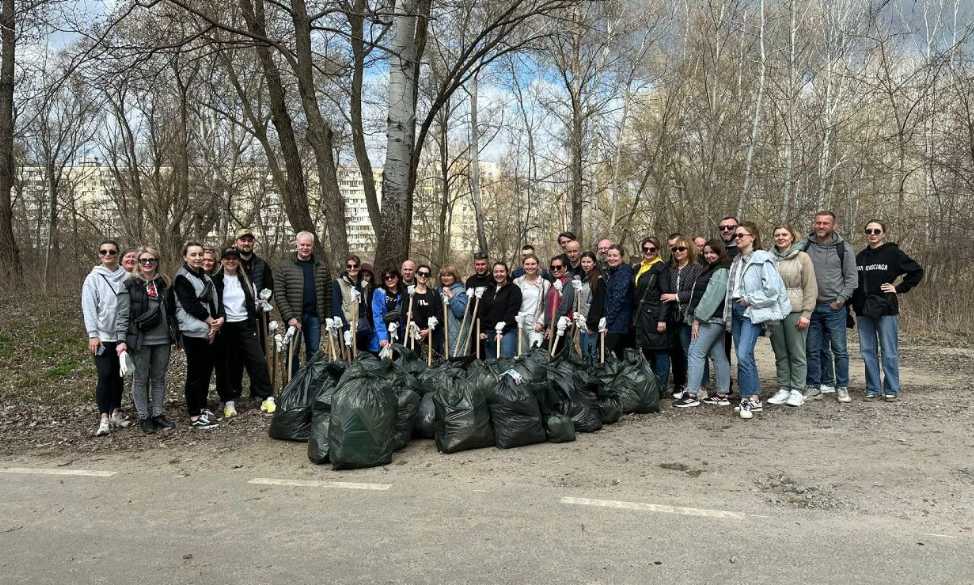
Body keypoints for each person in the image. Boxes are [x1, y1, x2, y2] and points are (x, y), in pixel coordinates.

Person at [724, 222, 791, 419]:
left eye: (741, 235)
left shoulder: (762, 259)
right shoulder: (736, 260)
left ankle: (750, 399)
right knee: (745, 356)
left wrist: (751, 300)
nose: (737, 238)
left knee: (743, 354)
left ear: (753, 237)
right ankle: (752, 398)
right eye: (736, 236)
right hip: (735, 310)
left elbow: (773, 290)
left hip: (750, 310)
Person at [851, 220, 924, 401]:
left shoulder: (893, 254)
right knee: (867, 351)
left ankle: (891, 388)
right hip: (863, 311)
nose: (873, 234)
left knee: (888, 350)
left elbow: (916, 271)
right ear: (866, 233)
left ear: (883, 233)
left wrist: (898, 288)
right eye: (869, 231)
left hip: (886, 309)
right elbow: (853, 284)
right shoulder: (860, 257)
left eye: (877, 231)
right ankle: (873, 388)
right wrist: (849, 306)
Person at [115, 246, 177, 433]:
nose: (148, 263)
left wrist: (177, 335)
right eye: (144, 260)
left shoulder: (165, 282)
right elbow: (122, 315)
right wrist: (121, 340)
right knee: (140, 379)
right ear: (138, 263)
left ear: (157, 262)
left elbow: (172, 311)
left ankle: (157, 413)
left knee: (158, 378)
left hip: (163, 339)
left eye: (152, 260)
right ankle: (144, 416)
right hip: (140, 340)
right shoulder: (129, 284)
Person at [801, 211, 858, 403]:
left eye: (826, 223)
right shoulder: (805, 246)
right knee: (812, 349)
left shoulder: (844, 248)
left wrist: (840, 300)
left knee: (839, 349)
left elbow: (852, 279)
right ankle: (813, 386)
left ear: (834, 226)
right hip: (811, 307)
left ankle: (841, 387)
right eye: (818, 223)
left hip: (834, 308)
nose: (821, 226)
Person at [213, 247, 275, 418]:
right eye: (227, 258)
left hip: (246, 325)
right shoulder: (215, 281)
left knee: (257, 360)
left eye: (234, 258)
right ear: (222, 261)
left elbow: (254, 301)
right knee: (229, 365)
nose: (231, 261)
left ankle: (267, 396)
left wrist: (261, 304)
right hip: (226, 327)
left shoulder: (246, 280)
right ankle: (229, 400)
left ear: (238, 261)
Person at [81, 240, 132, 436]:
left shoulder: (127, 276)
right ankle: (103, 416)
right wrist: (93, 335)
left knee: (119, 376)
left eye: (112, 251)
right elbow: (89, 308)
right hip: (102, 336)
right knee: (104, 375)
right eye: (104, 251)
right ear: (100, 255)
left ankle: (115, 412)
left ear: (117, 254)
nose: (108, 254)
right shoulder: (93, 279)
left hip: (121, 336)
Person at [766, 225, 818, 408]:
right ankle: (784, 387)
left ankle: (797, 389)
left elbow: (810, 287)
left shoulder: (802, 257)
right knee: (780, 352)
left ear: (792, 237)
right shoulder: (768, 258)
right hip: (774, 311)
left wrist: (807, 313)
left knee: (797, 352)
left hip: (795, 310)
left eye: (784, 234)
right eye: (777, 235)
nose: (780, 238)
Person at [173, 241, 223, 429]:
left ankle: (202, 407)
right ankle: (194, 414)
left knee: (205, 372)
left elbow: (212, 302)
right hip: (192, 331)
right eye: (193, 255)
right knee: (195, 373)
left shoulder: (204, 276)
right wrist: (212, 321)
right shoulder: (182, 277)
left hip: (208, 330)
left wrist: (216, 324)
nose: (197, 258)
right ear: (185, 257)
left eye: (200, 254)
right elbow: (190, 305)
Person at [677, 240, 731, 407]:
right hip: (712, 318)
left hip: (711, 319)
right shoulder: (711, 268)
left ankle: (692, 394)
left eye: (712, 252)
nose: (709, 255)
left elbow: (712, 298)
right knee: (718, 355)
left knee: (695, 352)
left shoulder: (721, 270)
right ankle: (722, 394)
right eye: (706, 252)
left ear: (720, 252)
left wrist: (697, 319)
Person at [274, 231, 331, 373]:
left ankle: (311, 383)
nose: (305, 248)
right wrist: (289, 317)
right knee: (293, 352)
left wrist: (327, 317)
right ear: (297, 244)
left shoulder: (321, 267)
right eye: (302, 245)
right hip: (295, 318)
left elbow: (328, 294)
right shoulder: (284, 266)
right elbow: (280, 294)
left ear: (312, 246)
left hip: (314, 317)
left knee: (313, 352)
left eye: (308, 245)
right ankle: (293, 384)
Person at [662, 235, 702, 399]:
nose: (677, 252)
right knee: (676, 352)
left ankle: (695, 385)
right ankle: (682, 384)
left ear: (689, 250)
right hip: (673, 317)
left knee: (690, 352)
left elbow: (696, 292)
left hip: (689, 316)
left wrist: (676, 296)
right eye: (674, 249)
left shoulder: (696, 268)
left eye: (681, 249)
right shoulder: (670, 269)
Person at [633, 237, 670, 383]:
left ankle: (661, 385)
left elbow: (665, 295)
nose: (648, 252)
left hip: (655, 315)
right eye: (645, 249)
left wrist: (662, 319)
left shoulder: (661, 268)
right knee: (647, 349)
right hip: (642, 315)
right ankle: (649, 383)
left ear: (657, 250)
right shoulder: (639, 267)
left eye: (652, 249)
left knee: (660, 350)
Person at [480, 262, 522, 359]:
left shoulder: (514, 290)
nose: (499, 274)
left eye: (502, 271)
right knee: (491, 364)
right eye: (496, 272)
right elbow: (482, 312)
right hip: (489, 332)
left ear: (507, 272)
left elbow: (512, 312)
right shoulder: (488, 290)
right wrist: (482, 330)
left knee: (505, 361)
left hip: (508, 331)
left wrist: (502, 331)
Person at [332, 255, 372, 352]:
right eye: (349, 266)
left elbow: (365, 306)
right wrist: (345, 328)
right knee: (347, 356)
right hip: (347, 326)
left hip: (362, 327)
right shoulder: (338, 283)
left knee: (362, 358)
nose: (352, 269)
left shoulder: (363, 284)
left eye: (355, 266)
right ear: (346, 267)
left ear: (359, 267)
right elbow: (336, 306)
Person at [513, 253, 550, 352]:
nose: (530, 267)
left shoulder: (545, 284)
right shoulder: (517, 282)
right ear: (523, 266)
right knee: (521, 355)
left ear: (538, 265)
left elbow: (548, 306)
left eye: (533, 264)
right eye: (527, 264)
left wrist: (541, 322)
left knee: (535, 353)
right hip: (520, 323)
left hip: (535, 324)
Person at [602, 245, 633, 358]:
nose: (611, 258)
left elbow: (618, 299)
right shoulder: (612, 272)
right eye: (609, 255)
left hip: (619, 322)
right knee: (618, 355)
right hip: (615, 321)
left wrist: (607, 323)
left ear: (622, 257)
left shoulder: (624, 272)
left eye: (615, 255)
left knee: (605, 353)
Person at [405, 264, 442, 355]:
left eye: (426, 274)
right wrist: (408, 317)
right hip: (413, 336)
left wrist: (429, 330)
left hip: (431, 336)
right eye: (420, 273)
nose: (423, 276)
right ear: (416, 275)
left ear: (429, 277)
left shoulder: (434, 293)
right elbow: (403, 314)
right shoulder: (409, 293)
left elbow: (439, 314)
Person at [541, 254, 576, 350]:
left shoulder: (568, 282)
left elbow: (564, 306)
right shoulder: (556, 282)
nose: (555, 270)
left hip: (560, 326)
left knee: (548, 354)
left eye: (558, 267)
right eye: (553, 267)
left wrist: (552, 326)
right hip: (551, 325)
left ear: (565, 267)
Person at [577, 251, 605, 358]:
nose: (586, 264)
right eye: (583, 262)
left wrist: (592, 325)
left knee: (590, 352)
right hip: (582, 321)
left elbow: (599, 303)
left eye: (589, 262)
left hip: (591, 324)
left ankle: (592, 373)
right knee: (584, 351)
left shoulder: (598, 279)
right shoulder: (584, 278)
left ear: (594, 263)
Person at [437, 265, 468, 357]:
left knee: (456, 360)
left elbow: (460, 312)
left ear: (455, 277)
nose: (445, 278)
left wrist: (451, 296)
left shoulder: (461, 291)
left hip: (457, 332)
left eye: (449, 275)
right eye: (443, 275)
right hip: (442, 332)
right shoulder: (438, 290)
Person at [371, 268, 405, 351]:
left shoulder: (403, 293)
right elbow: (377, 315)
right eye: (386, 278)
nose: (390, 279)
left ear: (397, 278)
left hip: (399, 332)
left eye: (392, 277)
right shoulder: (379, 292)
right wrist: (382, 337)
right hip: (385, 331)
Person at [234, 227, 274, 297]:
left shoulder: (262, 264)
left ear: (253, 242)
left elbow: (269, 287)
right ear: (236, 242)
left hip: (257, 307)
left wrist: (263, 301)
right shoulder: (230, 263)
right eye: (243, 240)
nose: (246, 243)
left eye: (249, 240)